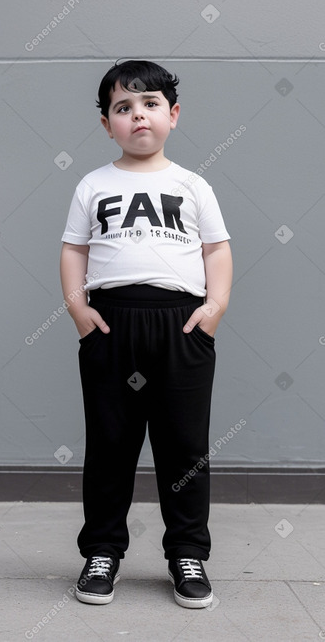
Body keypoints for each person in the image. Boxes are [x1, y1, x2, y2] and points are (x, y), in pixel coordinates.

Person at [60, 59, 233, 609]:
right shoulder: (94, 184)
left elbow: (215, 249)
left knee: (184, 446)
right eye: (123, 107)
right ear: (107, 122)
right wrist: (80, 313)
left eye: (150, 104)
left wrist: (215, 309)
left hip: (181, 326)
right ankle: (102, 552)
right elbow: (75, 250)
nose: (138, 116)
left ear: (173, 114)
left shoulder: (192, 184)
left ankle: (188, 552)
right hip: (112, 324)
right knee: (111, 443)